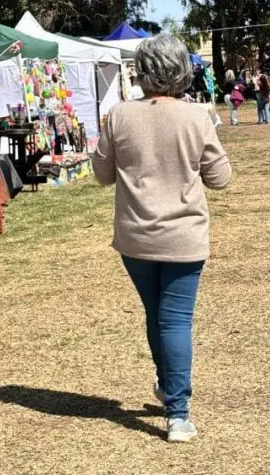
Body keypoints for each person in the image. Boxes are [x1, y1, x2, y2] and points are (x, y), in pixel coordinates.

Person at [92, 33, 232, 443]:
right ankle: (178, 413)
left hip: (135, 237)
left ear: (142, 71)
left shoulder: (118, 115)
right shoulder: (196, 117)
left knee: (156, 315)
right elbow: (221, 179)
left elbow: (101, 175)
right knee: (175, 320)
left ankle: (167, 385)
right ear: (183, 71)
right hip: (184, 237)